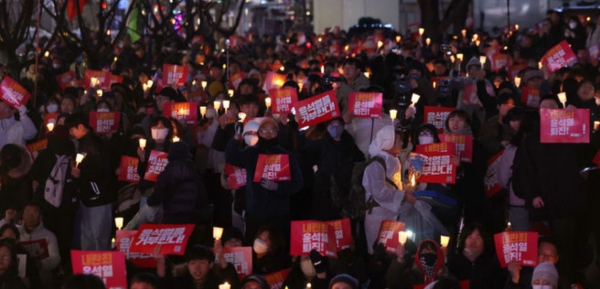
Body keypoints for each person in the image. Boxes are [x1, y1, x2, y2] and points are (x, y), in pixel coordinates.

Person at [225, 118, 303, 242]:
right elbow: (231, 157)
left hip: (279, 214)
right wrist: (236, 137)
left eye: (272, 130)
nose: (268, 133)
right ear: (259, 133)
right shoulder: (251, 153)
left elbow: (298, 183)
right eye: (264, 130)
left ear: (278, 133)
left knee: (278, 248)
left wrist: (278, 187)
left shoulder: (287, 156)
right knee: (254, 247)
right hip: (255, 213)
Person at [65, 112, 116, 250]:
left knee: (99, 236)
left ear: (81, 127)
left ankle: (100, 268)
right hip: (87, 198)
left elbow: (104, 170)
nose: (71, 133)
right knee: (87, 236)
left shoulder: (96, 144)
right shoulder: (83, 144)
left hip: (99, 198)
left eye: (72, 129)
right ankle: (87, 267)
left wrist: (82, 173)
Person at [363, 125, 416, 254]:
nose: (402, 143)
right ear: (389, 142)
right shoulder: (376, 164)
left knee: (392, 249)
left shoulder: (393, 160)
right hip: (378, 215)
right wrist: (403, 195)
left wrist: (408, 187)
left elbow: (393, 184)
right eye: (399, 140)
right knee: (379, 251)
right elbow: (380, 192)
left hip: (391, 212)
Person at [302, 117, 365, 220]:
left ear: (343, 127)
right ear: (327, 128)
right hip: (324, 190)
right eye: (332, 126)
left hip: (344, 190)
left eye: (338, 126)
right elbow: (305, 155)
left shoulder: (349, 144)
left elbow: (360, 159)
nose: (335, 129)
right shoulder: (321, 144)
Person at [147, 141, 207, 224]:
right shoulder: (195, 175)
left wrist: (149, 200)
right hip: (190, 220)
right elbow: (202, 201)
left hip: (170, 219)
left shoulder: (166, 175)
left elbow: (154, 199)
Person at [447, 224, 503, 289]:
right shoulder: (455, 261)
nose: (473, 242)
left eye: (478, 238)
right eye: (470, 237)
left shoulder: (491, 263)